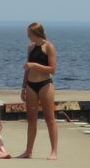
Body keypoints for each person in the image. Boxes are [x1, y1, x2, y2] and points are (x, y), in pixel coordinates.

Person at [16, 21, 59, 159]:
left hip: (45, 84)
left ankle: (54, 151)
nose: (28, 36)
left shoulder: (49, 47)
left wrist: (34, 65)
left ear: (36, 33)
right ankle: (28, 151)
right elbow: (27, 70)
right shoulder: (30, 48)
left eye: (30, 34)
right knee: (31, 119)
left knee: (49, 118)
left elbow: (52, 69)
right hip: (30, 85)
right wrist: (23, 87)